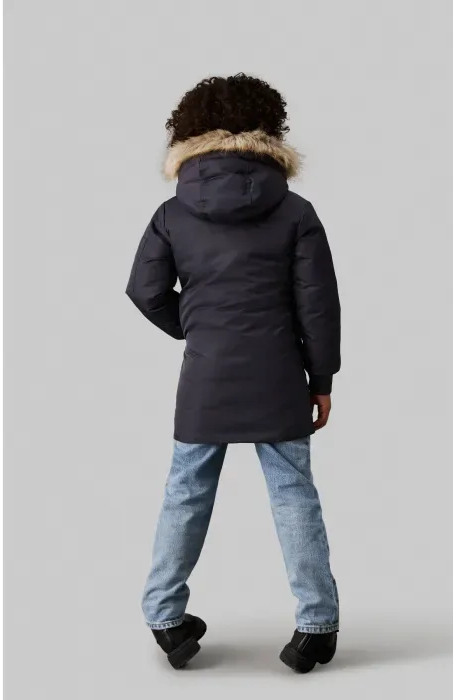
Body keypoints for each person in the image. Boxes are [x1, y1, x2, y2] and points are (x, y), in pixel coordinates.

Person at [126, 74, 341, 673]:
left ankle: (166, 619)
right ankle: (316, 628)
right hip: (279, 373)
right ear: (269, 128)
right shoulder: (295, 212)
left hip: (206, 377)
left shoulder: (173, 213)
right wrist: (322, 379)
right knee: (294, 493)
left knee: (185, 492)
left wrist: (195, 329)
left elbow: (144, 290)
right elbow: (318, 306)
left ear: (189, 131)